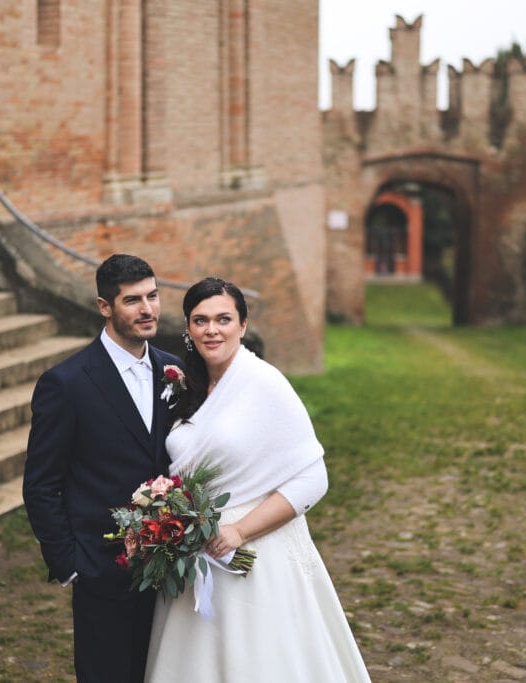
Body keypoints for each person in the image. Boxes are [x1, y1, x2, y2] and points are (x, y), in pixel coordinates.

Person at [145, 277, 371, 682]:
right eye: (200, 320)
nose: (211, 330)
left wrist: (237, 533)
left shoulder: (266, 384)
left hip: (251, 552)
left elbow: (313, 477)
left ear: (243, 325)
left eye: (223, 319)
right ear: (189, 328)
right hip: (193, 551)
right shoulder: (185, 386)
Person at [23, 254, 183, 683]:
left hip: (174, 570)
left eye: (153, 296)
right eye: (132, 300)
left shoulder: (177, 371)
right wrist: (71, 564)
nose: (148, 309)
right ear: (104, 306)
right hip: (103, 571)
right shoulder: (67, 383)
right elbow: (41, 484)